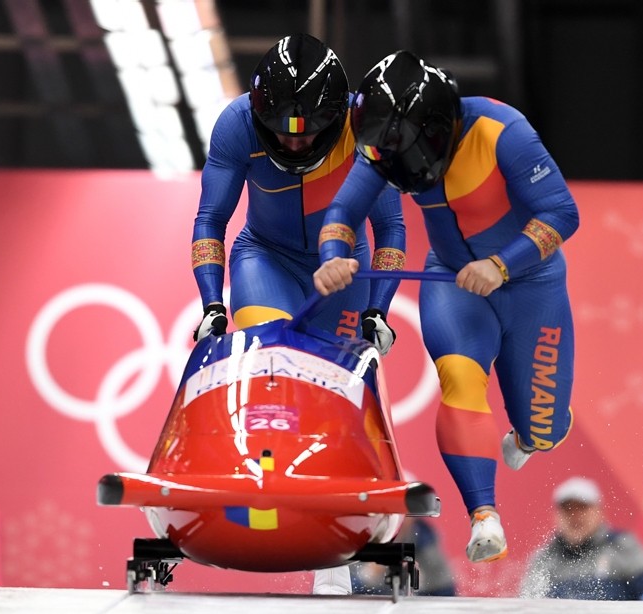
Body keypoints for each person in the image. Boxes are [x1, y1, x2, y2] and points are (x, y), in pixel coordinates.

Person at [314, 50, 578, 564]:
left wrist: (502, 265)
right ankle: (484, 516)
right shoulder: (383, 146)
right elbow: (344, 210)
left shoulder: (503, 131)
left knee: (542, 431)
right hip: (453, 281)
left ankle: (532, 434)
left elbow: (562, 213)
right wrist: (332, 256)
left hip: (532, 283)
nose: (399, 166)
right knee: (459, 378)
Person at [190, 33, 406, 595]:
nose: (295, 141)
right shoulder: (237, 124)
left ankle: (332, 554)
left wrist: (377, 312)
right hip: (266, 258)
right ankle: (255, 501)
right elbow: (211, 220)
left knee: (334, 400)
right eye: (284, 130)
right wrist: (212, 302)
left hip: (344, 271)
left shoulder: (367, 127)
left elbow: (390, 227)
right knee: (269, 367)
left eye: (309, 131)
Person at [519, 477, 643, 601]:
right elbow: (528, 607)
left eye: (582, 508)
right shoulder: (544, 559)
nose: (575, 516)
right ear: (556, 516)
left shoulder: (623, 547)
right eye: (567, 510)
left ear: (599, 512)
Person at [352, 518, 456, 596]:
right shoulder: (360, 538)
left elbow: (444, 591)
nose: (396, 521)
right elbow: (348, 590)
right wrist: (367, 577)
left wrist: (421, 588)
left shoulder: (424, 543)